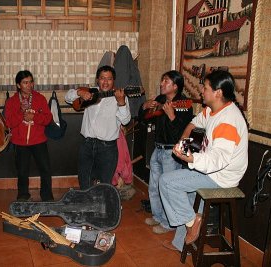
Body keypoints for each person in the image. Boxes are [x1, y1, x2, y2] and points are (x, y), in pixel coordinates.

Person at [159, 70, 248, 250]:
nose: (201, 90)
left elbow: (218, 161)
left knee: (166, 182)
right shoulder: (212, 110)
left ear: (218, 92)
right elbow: (194, 123)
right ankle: (182, 243)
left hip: (221, 177)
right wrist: (183, 143)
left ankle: (193, 222)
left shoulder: (228, 122)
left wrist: (191, 157)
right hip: (212, 170)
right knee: (187, 193)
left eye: (205, 87)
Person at [138, 71, 193, 237]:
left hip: (172, 152)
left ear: (175, 86)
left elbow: (183, 134)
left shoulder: (184, 104)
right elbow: (145, 119)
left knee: (168, 189)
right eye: (162, 80)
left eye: (166, 81)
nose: (161, 83)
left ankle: (170, 223)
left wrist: (172, 116)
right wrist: (144, 107)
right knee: (154, 186)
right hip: (158, 149)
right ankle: (158, 216)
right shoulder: (161, 100)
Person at [65, 65, 131, 190]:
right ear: (97, 80)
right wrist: (80, 92)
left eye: (109, 79)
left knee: (105, 183)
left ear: (114, 81)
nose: (105, 82)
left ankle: (102, 208)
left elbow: (126, 120)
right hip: (87, 144)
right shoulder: (90, 92)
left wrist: (121, 102)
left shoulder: (120, 97)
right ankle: (87, 207)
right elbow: (68, 97)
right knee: (84, 180)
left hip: (108, 147)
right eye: (102, 78)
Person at [5, 70, 54, 202]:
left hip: (38, 140)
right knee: (22, 171)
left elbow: (48, 119)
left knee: (45, 169)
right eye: (25, 82)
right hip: (20, 142)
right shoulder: (12, 101)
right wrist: (21, 113)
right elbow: (8, 122)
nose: (29, 85)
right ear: (18, 85)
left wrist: (35, 117)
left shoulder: (40, 98)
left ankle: (47, 196)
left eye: (31, 82)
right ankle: (23, 195)